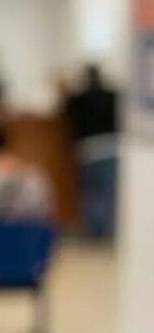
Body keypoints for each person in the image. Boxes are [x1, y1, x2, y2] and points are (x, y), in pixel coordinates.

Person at [63, 64, 120, 238]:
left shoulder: (80, 99)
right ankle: (108, 231)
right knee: (108, 193)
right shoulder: (113, 96)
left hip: (87, 148)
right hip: (110, 147)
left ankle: (93, 231)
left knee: (89, 193)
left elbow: (65, 110)